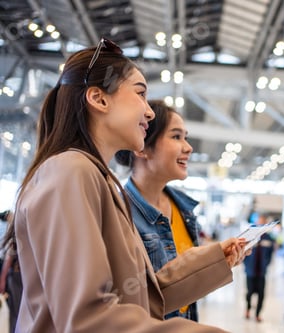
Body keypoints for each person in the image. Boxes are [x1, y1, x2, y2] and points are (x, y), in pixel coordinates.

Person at [6, 37, 247, 332]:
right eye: (140, 93)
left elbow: (140, 298)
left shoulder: (98, 178)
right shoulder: (71, 170)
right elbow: (88, 318)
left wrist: (213, 261)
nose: (148, 111)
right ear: (98, 98)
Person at [115, 100, 202, 321]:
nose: (188, 147)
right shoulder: (119, 213)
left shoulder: (184, 209)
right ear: (141, 147)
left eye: (186, 137)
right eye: (176, 137)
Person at [243, 213, 276, 322]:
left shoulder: (268, 238)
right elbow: (243, 250)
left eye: (263, 221)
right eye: (259, 220)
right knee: (249, 292)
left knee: (261, 294)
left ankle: (257, 314)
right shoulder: (250, 236)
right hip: (250, 271)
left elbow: (271, 253)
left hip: (261, 271)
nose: (261, 222)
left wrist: (266, 264)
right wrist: (246, 264)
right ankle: (248, 309)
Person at [0, 210, 22, 333]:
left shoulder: (14, 225)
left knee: (15, 310)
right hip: (13, 271)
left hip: (13, 271)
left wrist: (2, 279)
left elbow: (10, 254)